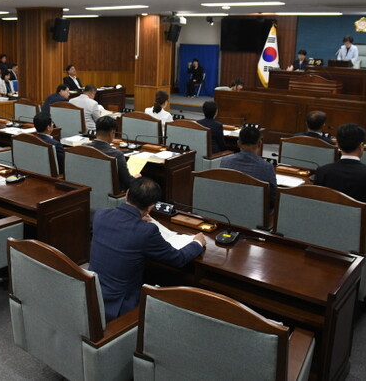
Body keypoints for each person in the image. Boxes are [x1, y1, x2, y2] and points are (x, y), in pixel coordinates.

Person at [89, 177, 206, 321]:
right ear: (150, 207)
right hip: (119, 306)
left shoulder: (100, 214)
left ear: (127, 194)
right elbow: (178, 259)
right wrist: (197, 243)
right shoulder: (146, 231)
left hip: (93, 293)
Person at [220, 126, 277, 209]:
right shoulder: (267, 167)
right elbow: (273, 199)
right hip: (256, 212)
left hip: (228, 208)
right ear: (259, 144)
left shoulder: (225, 161)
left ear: (238, 143)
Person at [89, 116, 136, 191]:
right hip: (112, 194)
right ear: (112, 133)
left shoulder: (83, 147)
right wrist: (137, 178)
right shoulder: (117, 155)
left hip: (87, 191)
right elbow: (128, 181)